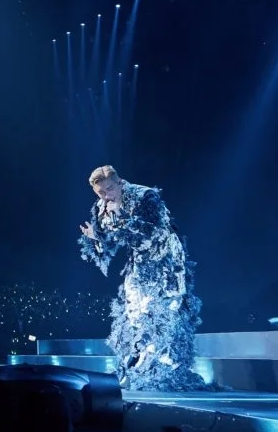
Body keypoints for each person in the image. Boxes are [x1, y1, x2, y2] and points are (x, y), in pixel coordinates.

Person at [77, 165, 205, 391]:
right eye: (100, 193)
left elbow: (153, 232)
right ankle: (139, 368)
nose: (106, 196)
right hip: (140, 261)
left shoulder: (145, 196)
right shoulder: (101, 208)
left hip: (165, 259)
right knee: (135, 311)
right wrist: (96, 238)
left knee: (164, 310)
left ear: (119, 183)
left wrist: (119, 220)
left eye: (109, 189)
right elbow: (109, 243)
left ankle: (164, 370)